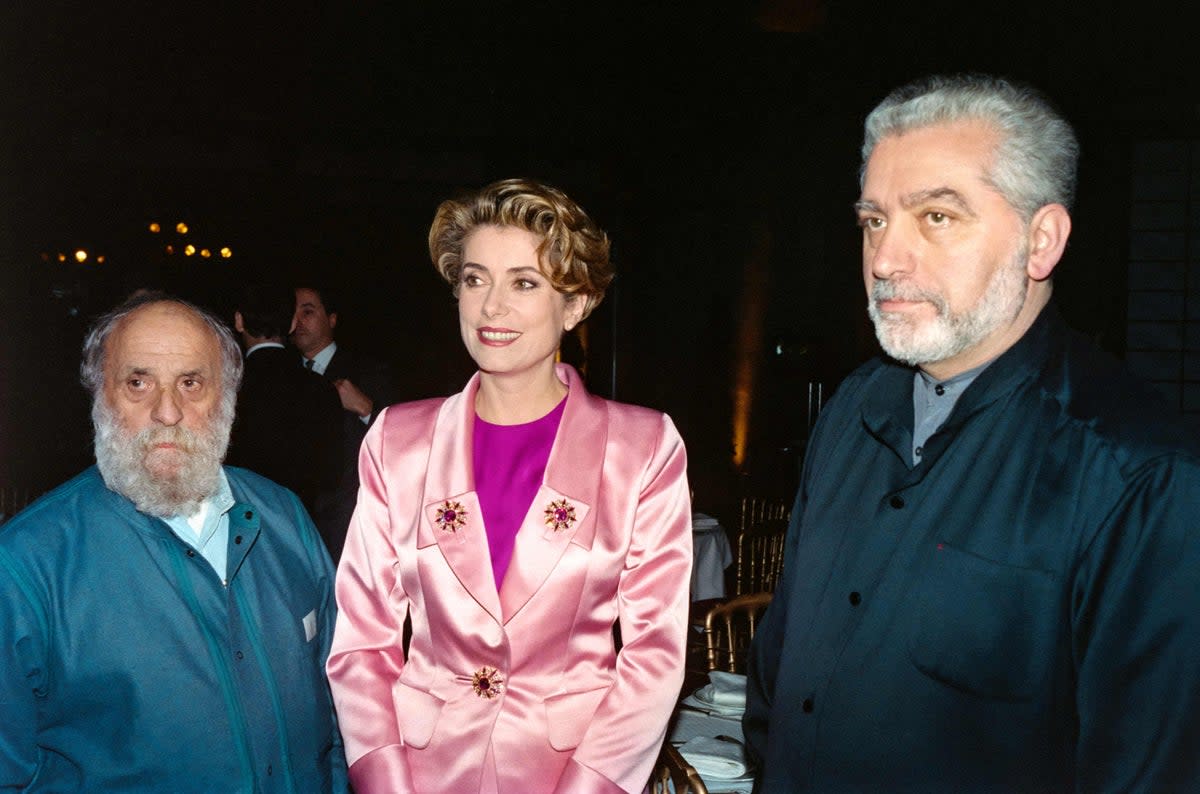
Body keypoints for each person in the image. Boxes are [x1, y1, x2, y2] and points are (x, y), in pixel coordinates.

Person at [744, 74, 1200, 792]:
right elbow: (781, 669)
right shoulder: (853, 407)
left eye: (935, 218)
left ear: (1040, 241)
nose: (885, 259)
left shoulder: (1138, 473)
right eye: (873, 220)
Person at [327, 178, 693, 794]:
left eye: (524, 282)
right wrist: (388, 783)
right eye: (474, 280)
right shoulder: (398, 441)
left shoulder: (641, 448)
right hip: (420, 775)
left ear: (575, 304)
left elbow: (654, 656)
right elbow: (362, 643)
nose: (491, 308)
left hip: (568, 774)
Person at [0, 293, 347, 792]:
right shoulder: (25, 567)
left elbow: (338, 713)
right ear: (101, 393)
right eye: (138, 382)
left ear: (226, 396)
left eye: (191, 383)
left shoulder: (283, 517)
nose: (167, 411)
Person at [292, 283, 398, 561]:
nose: (298, 320)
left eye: (308, 311)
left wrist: (364, 407)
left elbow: (403, 439)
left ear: (332, 319)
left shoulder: (367, 370)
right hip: (298, 523)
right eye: (293, 312)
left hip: (351, 524)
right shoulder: (284, 375)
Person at [227, 283, 344, 518]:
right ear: (291, 324)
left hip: (242, 518)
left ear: (239, 321)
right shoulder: (319, 386)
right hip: (304, 520)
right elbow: (332, 473)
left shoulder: (228, 388)